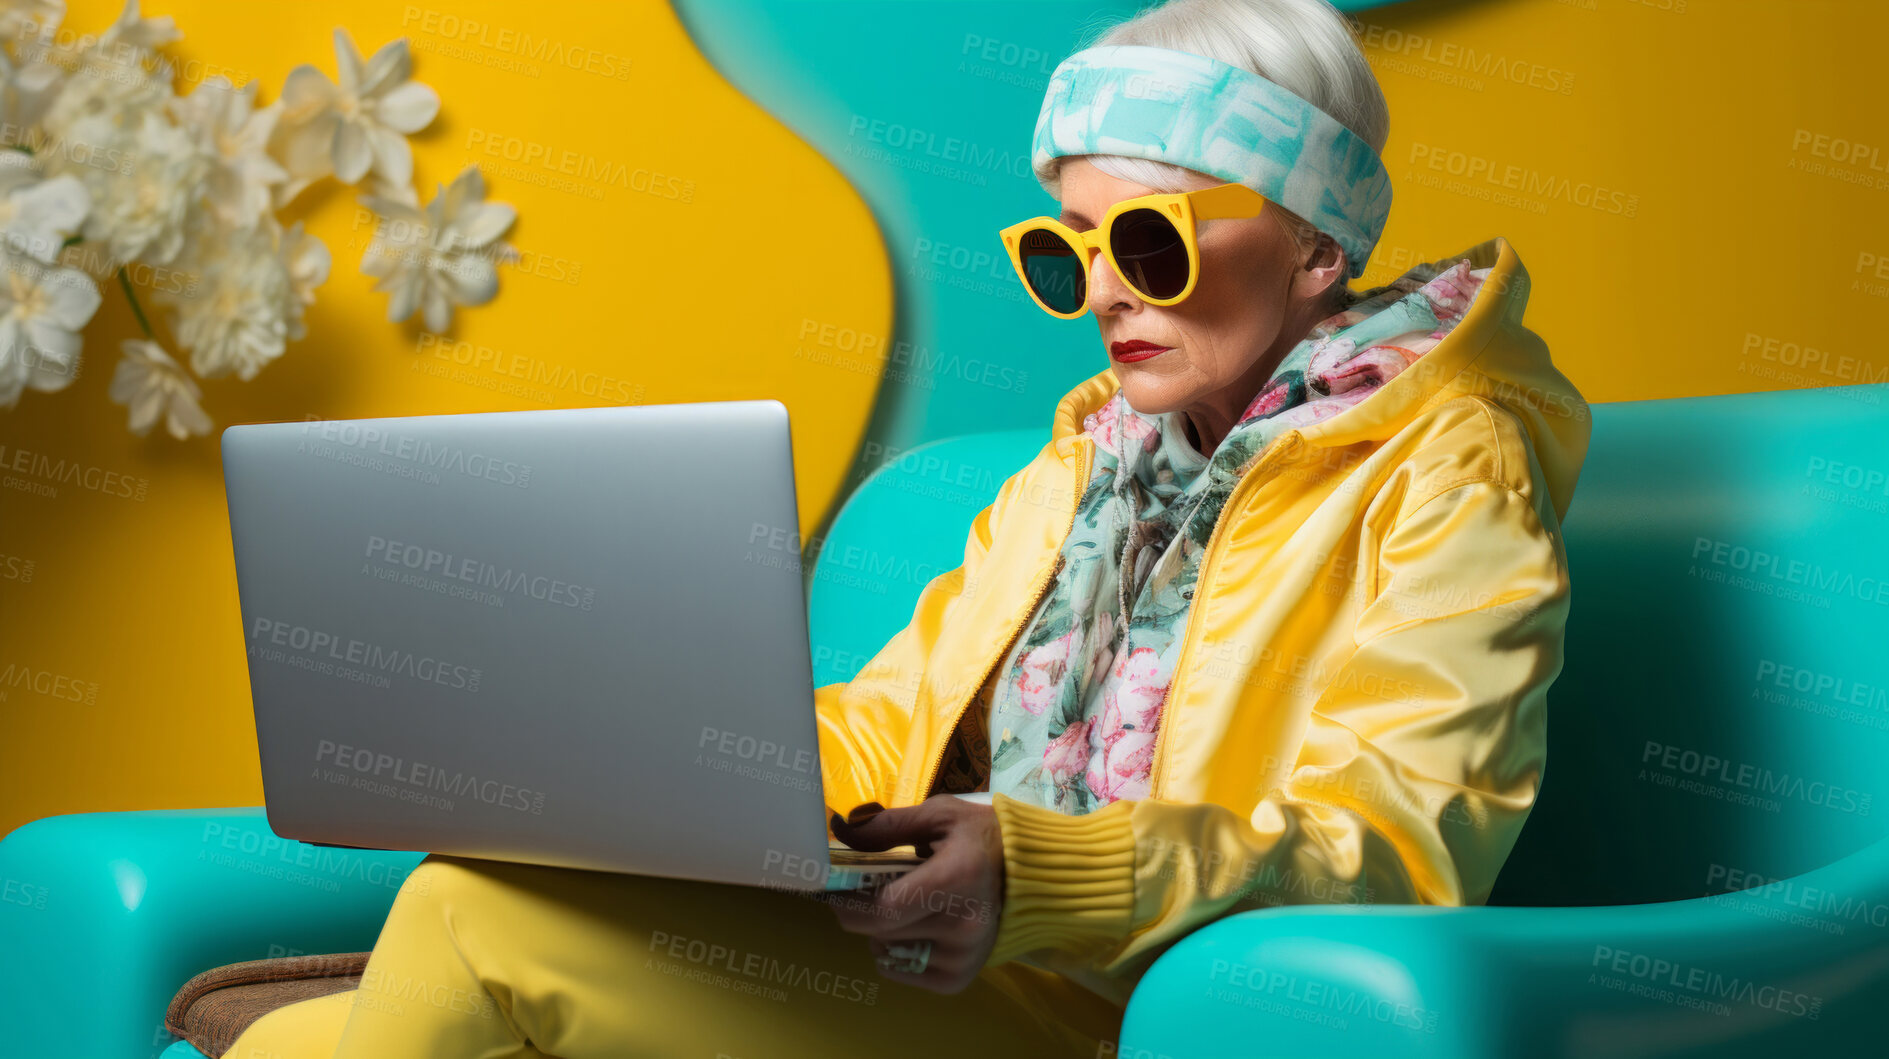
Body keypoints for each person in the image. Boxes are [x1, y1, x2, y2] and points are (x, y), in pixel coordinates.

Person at [229, 0, 1589, 1054]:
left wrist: (1047, 874)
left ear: (1314, 248)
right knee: (302, 1038)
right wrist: (641, 778)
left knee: (462, 919)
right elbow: (889, 723)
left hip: (1124, 1020)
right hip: (942, 974)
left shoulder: (1448, 468)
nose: (1109, 292)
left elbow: (1396, 846)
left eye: (1154, 244)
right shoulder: (1089, 459)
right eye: (1070, 250)